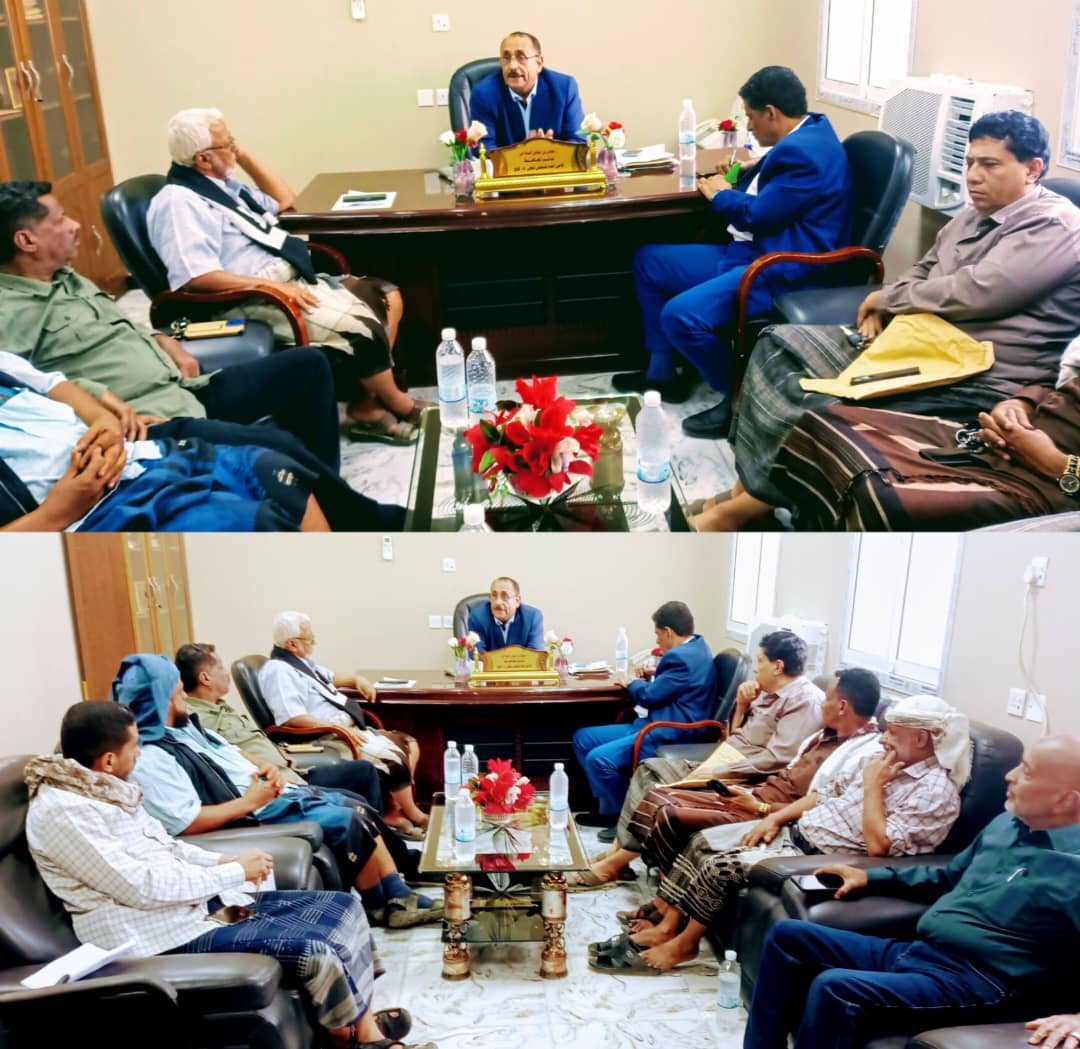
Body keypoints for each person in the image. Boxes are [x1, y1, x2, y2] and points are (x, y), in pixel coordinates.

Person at [694, 109, 1080, 531]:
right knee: (775, 346)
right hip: (921, 343)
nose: (973, 176)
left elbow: (978, 290)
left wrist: (887, 299)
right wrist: (890, 302)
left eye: (989, 164)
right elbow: (925, 267)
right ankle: (753, 488)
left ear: (1032, 170)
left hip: (980, 371)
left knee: (821, 405)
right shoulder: (975, 213)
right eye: (970, 162)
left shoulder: (1057, 224)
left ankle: (750, 505)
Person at [25, 701, 437, 1049]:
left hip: (190, 910)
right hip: (154, 935)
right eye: (135, 749)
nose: (140, 757)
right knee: (314, 949)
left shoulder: (102, 790)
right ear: (108, 760)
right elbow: (141, 887)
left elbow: (167, 847)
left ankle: (358, 1027)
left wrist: (224, 862)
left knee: (342, 907)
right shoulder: (65, 813)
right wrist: (232, 873)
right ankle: (353, 1038)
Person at [743, 734, 1080, 1049]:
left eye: (1027, 772)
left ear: (1065, 799)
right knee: (787, 936)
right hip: (923, 951)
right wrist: (871, 877)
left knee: (835, 987)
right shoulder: (1005, 823)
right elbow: (947, 876)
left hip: (983, 981)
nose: (1010, 775)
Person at [590, 694, 967, 974]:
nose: (883, 740)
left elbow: (878, 847)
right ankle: (668, 926)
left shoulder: (935, 791)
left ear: (922, 740)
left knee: (721, 866)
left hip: (826, 854)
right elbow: (821, 795)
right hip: (797, 829)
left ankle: (684, 945)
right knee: (701, 842)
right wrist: (772, 818)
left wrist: (873, 787)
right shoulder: (882, 761)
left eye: (894, 734)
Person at [0, 180, 346, 469]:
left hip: (185, 389)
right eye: (60, 220)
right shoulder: (9, 312)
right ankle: (328, 505)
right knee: (279, 447)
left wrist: (161, 339)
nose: (75, 225)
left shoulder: (65, 278)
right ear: (26, 241)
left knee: (309, 365)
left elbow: (114, 327)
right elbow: (19, 393)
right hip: (149, 421)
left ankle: (323, 491)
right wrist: (94, 402)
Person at [146, 109, 422, 446]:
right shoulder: (179, 202)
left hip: (285, 280)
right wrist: (274, 287)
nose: (234, 147)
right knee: (361, 326)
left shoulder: (221, 187)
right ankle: (398, 402)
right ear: (203, 159)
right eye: (227, 143)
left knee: (386, 296)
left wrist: (240, 155)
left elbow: (284, 199)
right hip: (248, 298)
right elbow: (197, 276)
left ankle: (365, 403)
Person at [114, 654, 441, 928]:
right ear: (161, 698)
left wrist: (264, 767)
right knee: (347, 817)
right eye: (178, 693)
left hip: (262, 795)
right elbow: (186, 823)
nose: (186, 696)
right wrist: (250, 801)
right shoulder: (151, 757)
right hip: (249, 812)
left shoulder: (184, 730)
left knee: (354, 804)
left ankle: (396, 895)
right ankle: (384, 904)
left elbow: (232, 753)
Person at [614, 65, 853, 439]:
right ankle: (662, 374)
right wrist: (746, 173)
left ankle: (740, 398)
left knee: (680, 316)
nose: (749, 126)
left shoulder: (803, 153)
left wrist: (721, 194)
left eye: (751, 117)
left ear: (771, 112)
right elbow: (781, 189)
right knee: (649, 261)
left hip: (781, 269)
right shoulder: (812, 131)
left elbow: (758, 215)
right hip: (753, 253)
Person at [0, 351, 395, 531]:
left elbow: (51, 383)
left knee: (276, 468)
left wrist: (105, 421)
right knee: (261, 521)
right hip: (86, 514)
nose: (72, 227)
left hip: (139, 457)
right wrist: (56, 514)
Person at [572, 628, 823, 887]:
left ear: (778, 666)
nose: (756, 668)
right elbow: (735, 737)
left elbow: (777, 759)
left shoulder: (804, 701)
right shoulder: (768, 692)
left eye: (760, 661)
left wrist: (721, 771)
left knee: (659, 791)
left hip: (742, 775)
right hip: (724, 759)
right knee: (647, 770)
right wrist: (741, 706)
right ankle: (617, 856)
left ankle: (614, 864)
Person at [632, 667, 881, 876]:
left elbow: (818, 805)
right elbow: (779, 766)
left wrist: (762, 809)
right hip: (756, 793)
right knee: (659, 796)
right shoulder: (825, 734)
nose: (821, 704)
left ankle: (656, 895)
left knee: (670, 813)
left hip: (768, 810)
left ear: (842, 707)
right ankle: (652, 888)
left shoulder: (861, 755)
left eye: (827, 699)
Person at [771, 377, 1080, 530]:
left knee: (883, 499)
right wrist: (1021, 402)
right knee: (825, 421)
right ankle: (809, 523)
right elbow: (1056, 383)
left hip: (1047, 485)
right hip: (999, 439)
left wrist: (1058, 465)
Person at [258, 611, 429, 837]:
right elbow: (292, 718)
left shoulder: (299, 663)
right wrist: (341, 729)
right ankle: (413, 814)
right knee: (393, 759)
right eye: (310, 639)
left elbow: (329, 677)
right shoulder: (278, 671)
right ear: (292, 644)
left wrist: (356, 679)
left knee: (409, 744)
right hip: (322, 736)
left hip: (343, 729)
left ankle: (393, 808)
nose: (313, 643)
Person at [571, 602, 716, 834]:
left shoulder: (680, 657)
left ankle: (628, 821)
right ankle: (608, 809)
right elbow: (672, 687)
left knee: (598, 760)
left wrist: (631, 682)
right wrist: (653, 676)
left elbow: (649, 697)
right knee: (583, 738)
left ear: (668, 631)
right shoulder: (698, 646)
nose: (657, 641)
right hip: (653, 723)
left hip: (668, 732)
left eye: (658, 634)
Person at [468, 32, 585, 152]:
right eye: (506, 58)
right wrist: (524, 154)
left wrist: (549, 152)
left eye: (521, 58)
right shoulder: (484, 94)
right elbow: (483, 148)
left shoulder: (564, 88)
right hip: (507, 165)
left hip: (557, 164)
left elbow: (578, 142)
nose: (512, 66)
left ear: (539, 63)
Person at [467, 576, 545, 652]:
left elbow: (535, 655)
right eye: (494, 595)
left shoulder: (532, 618)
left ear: (517, 601)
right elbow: (477, 655)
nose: (498, 602)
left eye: (505, 596)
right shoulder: (478, 617)